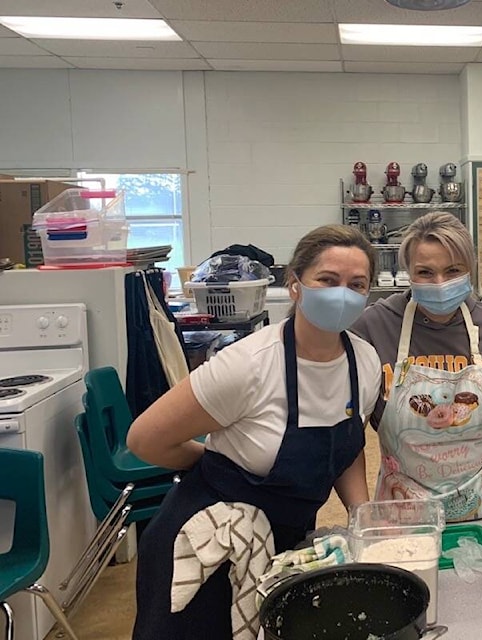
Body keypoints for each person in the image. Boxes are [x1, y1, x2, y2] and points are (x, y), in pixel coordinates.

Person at [127, 225, 383, 640]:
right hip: (207, 546)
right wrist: (212, 465)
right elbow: (144, 439)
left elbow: (347, 447)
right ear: (295, 285)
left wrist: (361, 520)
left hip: (286, 545)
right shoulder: (248, 365)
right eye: (328, 281)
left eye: (357, 285)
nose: (342, 295)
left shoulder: (364, 363)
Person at [351, 211, 482, 521]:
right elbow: (349, 433)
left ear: (470, 270)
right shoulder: (375, 325)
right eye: (425, 272)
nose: (440, 283)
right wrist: (361, 513)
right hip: (405, 503)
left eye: (453, 270)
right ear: (408, 273)